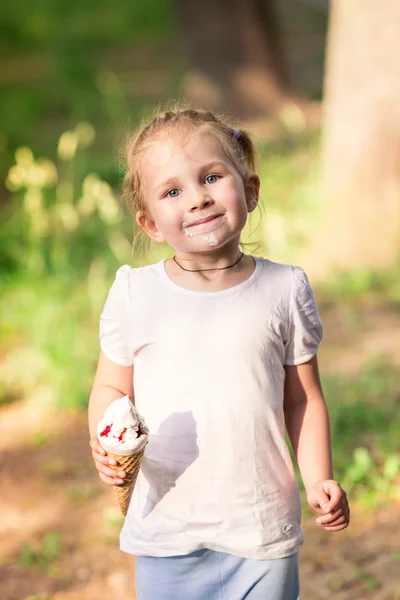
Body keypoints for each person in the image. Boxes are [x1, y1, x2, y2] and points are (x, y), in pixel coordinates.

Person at [88, 107, 350, 600]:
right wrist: (107, 442)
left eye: (211, 176)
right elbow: (111, 386)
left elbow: (303, 399)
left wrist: (320, 478)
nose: (198, 198)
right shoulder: (135, 294)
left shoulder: (284, 289)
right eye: (172, 191)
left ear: (249, 189)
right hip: (168, 529)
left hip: (261, 531)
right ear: (150, 222)